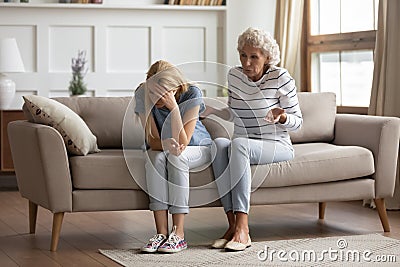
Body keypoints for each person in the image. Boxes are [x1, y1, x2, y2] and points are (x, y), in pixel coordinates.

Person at [203, 27, 303, 251]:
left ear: (267, 57)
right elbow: (234, 112)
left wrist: (283, 116)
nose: (247, 62)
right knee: (219, 145)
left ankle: (243, 229)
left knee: (238, 145)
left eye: (254, 57)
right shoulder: (234, 76)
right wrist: (213, 111)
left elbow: (298, 122)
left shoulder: (281, 77)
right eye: (243, 55)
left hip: (276, 145)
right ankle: (232, 226)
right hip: (244, 143)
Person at [134, 60, 212, 253]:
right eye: (153, 91)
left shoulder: (192, 93)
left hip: (198, 147)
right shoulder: (142, 94)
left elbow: (184, 141)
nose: (156, 98)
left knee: (176, 158)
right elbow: (152, 140)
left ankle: (179, 234)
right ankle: (161, 233)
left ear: (175, 89)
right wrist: (165, 144)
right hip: (165, 147)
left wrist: (174, 108)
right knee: (155, 158)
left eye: (162, 93)